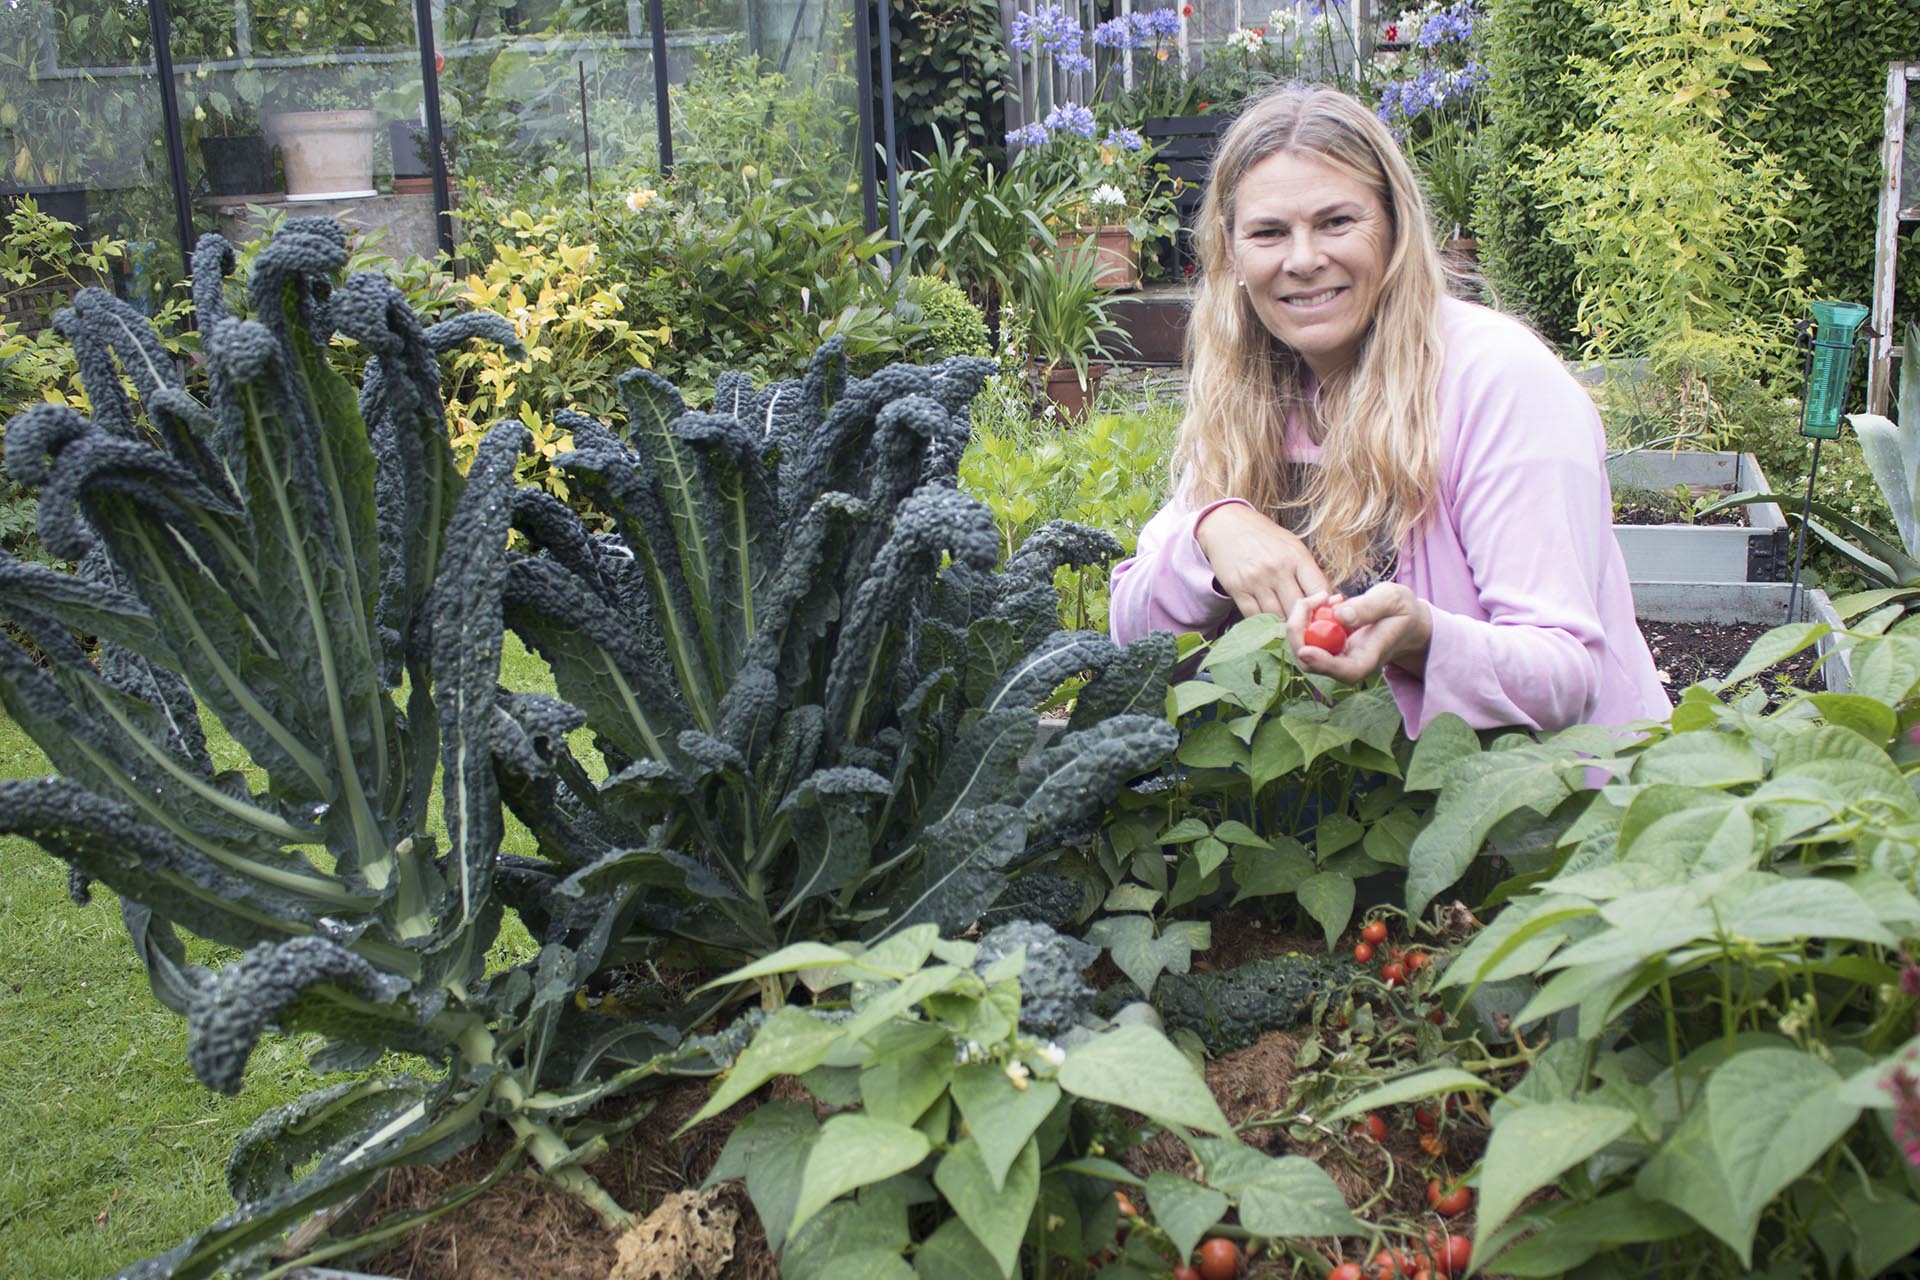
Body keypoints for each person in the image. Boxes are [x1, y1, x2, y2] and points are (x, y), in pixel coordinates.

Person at [1109, 85, 1669, 735]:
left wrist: (1424, 637)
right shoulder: (1250, 389)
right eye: (1268, 232)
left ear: (1395, 228)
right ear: (1231, 254)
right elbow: (1129, 632)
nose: (1303, 259)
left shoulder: (1500, 381)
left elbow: (1564, 679)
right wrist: (1212, 533)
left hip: (1548, 807)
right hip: (1343, 808)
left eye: (1336, 222)